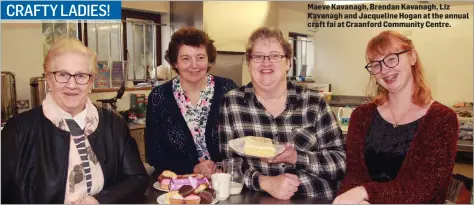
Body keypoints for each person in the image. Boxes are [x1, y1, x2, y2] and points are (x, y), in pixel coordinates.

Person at [1, 38, 148, 204]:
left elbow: (137, 179)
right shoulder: (19, 131)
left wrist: (99, 200)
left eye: (81, 75)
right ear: (49, 79)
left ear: (91, 82)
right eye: (62, 74)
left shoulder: (113, 124)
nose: (72, 85)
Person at [219, 26, 346, 200]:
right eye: (258, 56)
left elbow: (341, 163)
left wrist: (297, 158)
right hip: (259, 200)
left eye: (275, 56)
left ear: (288, 63)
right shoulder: (232, 102)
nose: (266, 62)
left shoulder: (314, 103)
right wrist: (264, 182)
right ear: (248, 63)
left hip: (315, 198)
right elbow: (230, 165)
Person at [333, 31, 459, 204]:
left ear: (412, 56)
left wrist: (364, 192)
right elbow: (354, 175)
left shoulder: (443, 119)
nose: (384, 70)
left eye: (392, 58)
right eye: (376, 64)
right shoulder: (361, 116)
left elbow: (425, 186)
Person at [145, 27, 237, 177]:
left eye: (200, 57)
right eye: (186, 58)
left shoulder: (228, 89)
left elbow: (241, 142)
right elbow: (153, 154)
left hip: (225, 181)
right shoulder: (159, 96)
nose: (194, 65)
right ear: (175, 62)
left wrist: (221, 167)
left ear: (209, 60)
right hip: (180, 184)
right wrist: (193, 168)